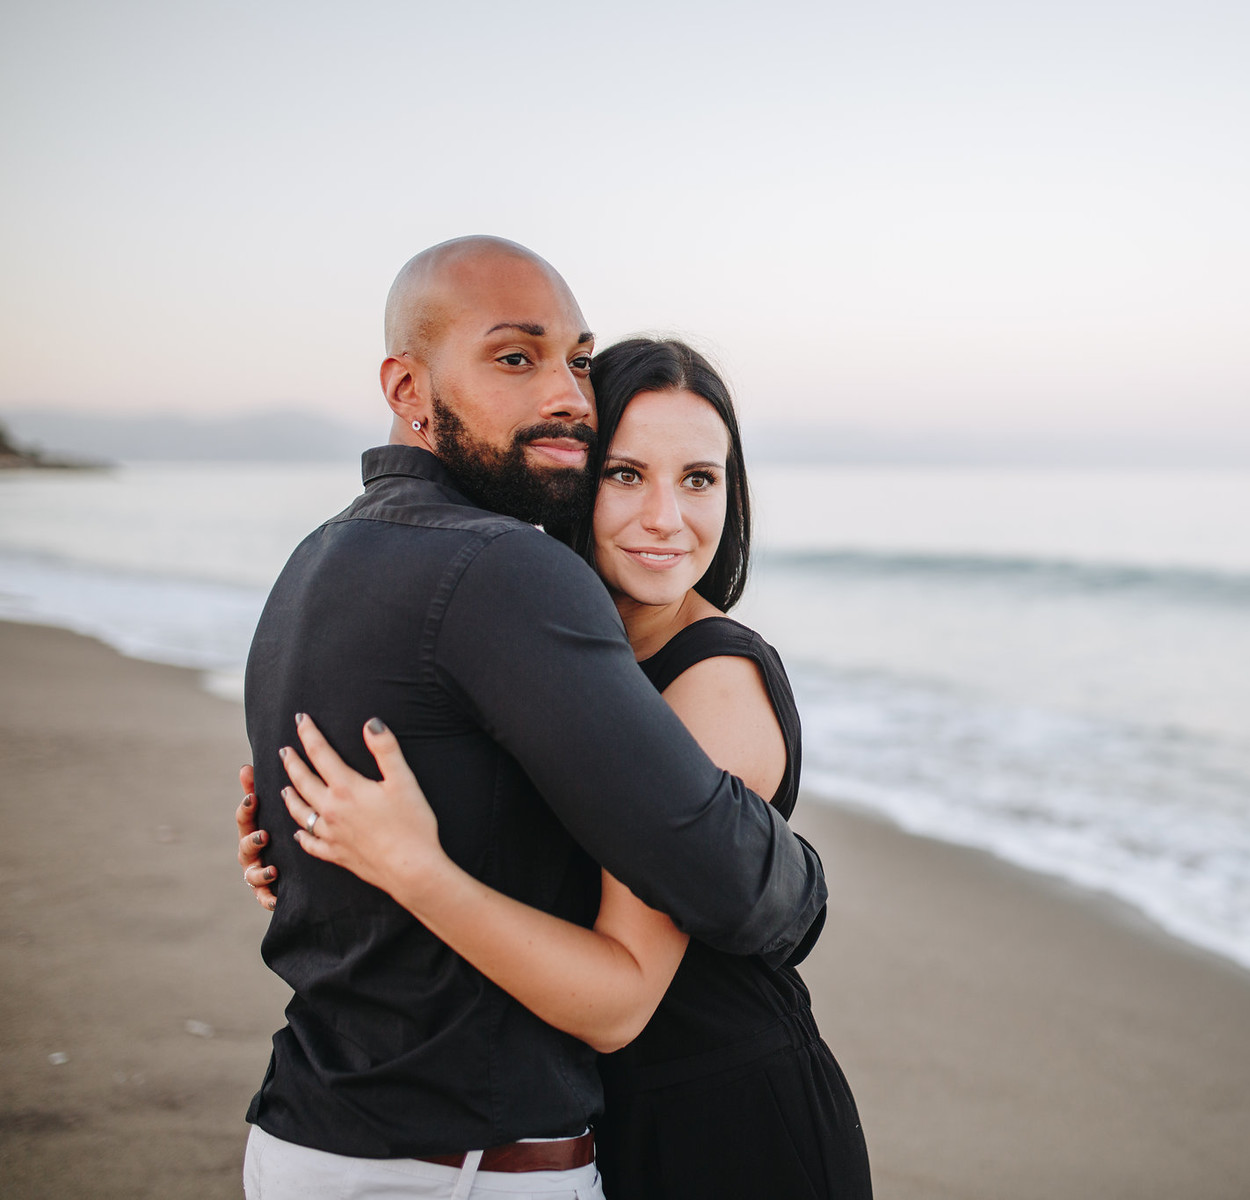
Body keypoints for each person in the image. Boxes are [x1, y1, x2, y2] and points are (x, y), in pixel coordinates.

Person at [237, 238, 827, 1200]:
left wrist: (400, 870)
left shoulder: (322, 557)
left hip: (718, 1121)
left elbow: (648, 961)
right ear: (409, 386)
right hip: (493, 1152)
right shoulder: (513, 602)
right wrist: (316, 859)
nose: (665, 518)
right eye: (625, 473)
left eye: (701, 479)